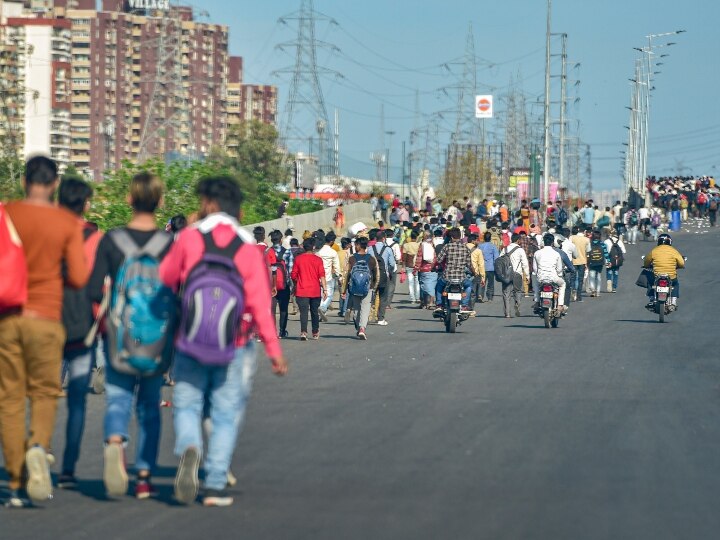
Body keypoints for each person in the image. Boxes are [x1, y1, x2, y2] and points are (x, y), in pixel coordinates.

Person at [159, 175, 287, 507]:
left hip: (190, 337)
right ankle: (215, 485)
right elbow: (260, 301)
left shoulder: (188, 238)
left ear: (209, 204)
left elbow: (166, 279)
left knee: (187, 403)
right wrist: (274, 350)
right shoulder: (246, 246)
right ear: (237, 209)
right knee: (225, 412)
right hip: (234, 341)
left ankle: (190, 446)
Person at [0, 156, 89, 507]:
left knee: (8, 399)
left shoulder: (6, 214)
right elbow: (80, 277)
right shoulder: (65, 222)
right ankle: (38, 445)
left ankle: (18, 481)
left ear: (24, 181)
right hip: (48, 318)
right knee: (44, 392)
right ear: (54, 184)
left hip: (7, 319)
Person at [87, 173, 173, 500]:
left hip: (119, 334)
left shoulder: (112, 240)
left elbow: (95, 288)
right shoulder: (168, 244)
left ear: (128, 199)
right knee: (150, 405)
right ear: (160, 202)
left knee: (119, 397)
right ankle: (145, 476)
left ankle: (113, 442)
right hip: (156, 336)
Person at [57, 177, 103, 489]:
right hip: (81, 324)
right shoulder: (94, 237)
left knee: (39, 394)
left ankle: (38, 448)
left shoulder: (45, 230)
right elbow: (99, 285)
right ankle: (68, 468)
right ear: (86, 204)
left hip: (45, 318)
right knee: (76, 400)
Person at [341, 236, 380, 339]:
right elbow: (377, 275)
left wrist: (344, 290)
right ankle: (362, 328)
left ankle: (359, 328)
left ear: (358, 245)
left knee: (357, 309)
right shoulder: (372, 259)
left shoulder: (352, 258)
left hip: (354, 288)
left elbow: (346, 275)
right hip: (368, 288)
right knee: (365, 308)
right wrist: (374, 287)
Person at [291, 238, 327, 340]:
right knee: (314, 311)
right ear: (314, 247)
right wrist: (325, 289)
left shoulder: (298, 259)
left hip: (302, 290)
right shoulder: (318, 260)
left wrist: (296, 283)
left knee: (303, 312)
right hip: (315, 290)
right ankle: (315, 332)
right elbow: (322, 275)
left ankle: (303, 332)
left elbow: (293, 275)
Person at [433, 228, 473, 314]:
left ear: (451, 237)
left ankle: (439, 304)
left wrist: (434, 267)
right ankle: (464, 305)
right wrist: (475, 273)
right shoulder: (465, 248)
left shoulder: (447, 247)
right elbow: (469, 265)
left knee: (438, 286)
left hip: (447, 278)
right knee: (469, 286)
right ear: (460, 237)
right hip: (461, 279)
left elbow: (439, 260)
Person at [643, 233, 685, 309]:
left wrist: (646, 266)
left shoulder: (654, 250)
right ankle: (673, 302)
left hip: (657, 275)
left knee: (650, 282)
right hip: (671, 276)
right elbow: (681, 263)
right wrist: (679, 266)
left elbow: (646, 261)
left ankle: (652, 298)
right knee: (675, 284)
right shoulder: (674, 251)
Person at [533, 233, 567, 313]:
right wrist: (559, 275)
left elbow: (535, 269)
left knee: (535, 281)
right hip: (553, 278)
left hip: (541, 278)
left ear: (543, 242)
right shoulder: (556, 254)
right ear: (552, 242)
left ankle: (537, 301)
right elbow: (559, 270)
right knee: (563, 284)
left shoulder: (537, 253)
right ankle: (560, 305)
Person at [267, 230, 291, 338]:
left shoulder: (267, 252)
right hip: (284, 285)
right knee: (283, 309)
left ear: (271, 240)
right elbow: (290, 270)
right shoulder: (287, 252)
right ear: (281, 240)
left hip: (271, 285)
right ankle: (282, 331)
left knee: (272, 310)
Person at [369, 230, 396, 325]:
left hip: (372, 276)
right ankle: (380, 318)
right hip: (384, 275)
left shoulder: (370, 248)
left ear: (376, 238)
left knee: (370, 296)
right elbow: (392, 264)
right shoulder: (388, 249)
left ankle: (367, 315)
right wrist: (390, 271)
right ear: (384, 238)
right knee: (383, 297)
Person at [500, 234, 529, 318]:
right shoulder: (520, 250)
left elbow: (500, 261)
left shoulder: (504, 249)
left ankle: (507, 313)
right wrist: (527, 275)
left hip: (506, 274)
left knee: (506, 293)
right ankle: (517, 304)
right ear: (518, 240)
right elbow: (525, 264)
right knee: (518, 291)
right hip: (517, 274)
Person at [316, 231, 341, 323]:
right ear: (332, 241)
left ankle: (321, 311)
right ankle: (323, 308)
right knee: (329, 295)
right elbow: (337, 267)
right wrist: (340, 277)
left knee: (320, 295)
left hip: (317, 277)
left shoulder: (318, 251)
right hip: (328, 277)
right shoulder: (333, 252)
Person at [415, 231, 438, 309]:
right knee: (432, 286)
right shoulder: (434, 244)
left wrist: (416, 268)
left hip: (424, 268)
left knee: (424, 286)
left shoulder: (423, 245)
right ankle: (431, 302)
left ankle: (425, 303)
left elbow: (419, 257)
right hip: (434, 268)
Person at [465, 233, 486, 313]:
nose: (478, 242)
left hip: (462, 272)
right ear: (473, 241)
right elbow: (481, 265)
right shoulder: (478, 251)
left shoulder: (462, 247)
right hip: (474, 274)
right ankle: (470, 309)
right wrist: (483, 277)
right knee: (472, 292)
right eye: (477, 240)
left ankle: (463, 306)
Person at [586, 230, 610, 297]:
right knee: (598, 276)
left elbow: (587, 253)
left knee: (591, 276)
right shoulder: (603, 244)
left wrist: (586, 262)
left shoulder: (589, 244)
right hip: (600, 262)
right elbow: (606, 254)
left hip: (591, 262)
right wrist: (609, 261)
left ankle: (593, 289)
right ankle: (598, 292)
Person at [478, 231, 499, 302]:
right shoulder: (493, 246)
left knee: (482, 282)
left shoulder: (480, 246)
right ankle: (490, 297)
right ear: (490, 238)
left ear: (484, 238)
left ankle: (480, 295)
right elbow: (496, 258)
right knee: (490, 283)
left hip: (482, 267)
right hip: (491, 268)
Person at [570, 226, 589, 302]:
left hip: (573, 261)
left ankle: (573, 291)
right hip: (582, 261)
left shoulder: (572, 238)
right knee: (580, 279)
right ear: (584, 231)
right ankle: (579, 296)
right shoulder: (586, 240)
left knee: (573, 278)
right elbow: (588, 251)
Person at [402, 231, 421, 304]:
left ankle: (412, 299)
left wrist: (403, 266)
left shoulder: (406, 245)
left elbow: (404, 257)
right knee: (417, 282)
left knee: (410, 282)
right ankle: (418, 298)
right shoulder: (419, 245)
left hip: (409, 264)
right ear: (416, 238)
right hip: (417, 264)